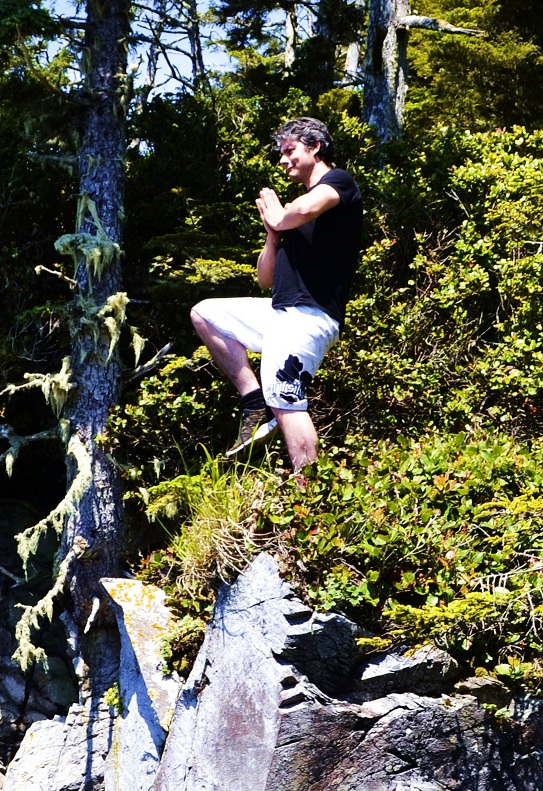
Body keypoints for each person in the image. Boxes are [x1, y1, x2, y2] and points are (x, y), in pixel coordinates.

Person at [190, 117, 362, 471]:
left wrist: (281, 217)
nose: (283, 160)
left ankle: (308, 493)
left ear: (315, 147)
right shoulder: (293, 214)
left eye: (290, 150)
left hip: (310, 315)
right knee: (205, 313)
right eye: (281, 153)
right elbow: (264, 279)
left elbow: (305, 208)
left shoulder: (338, 182)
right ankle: (254, 402)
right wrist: (273, 235)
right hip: (281, 311)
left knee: (285, 398)